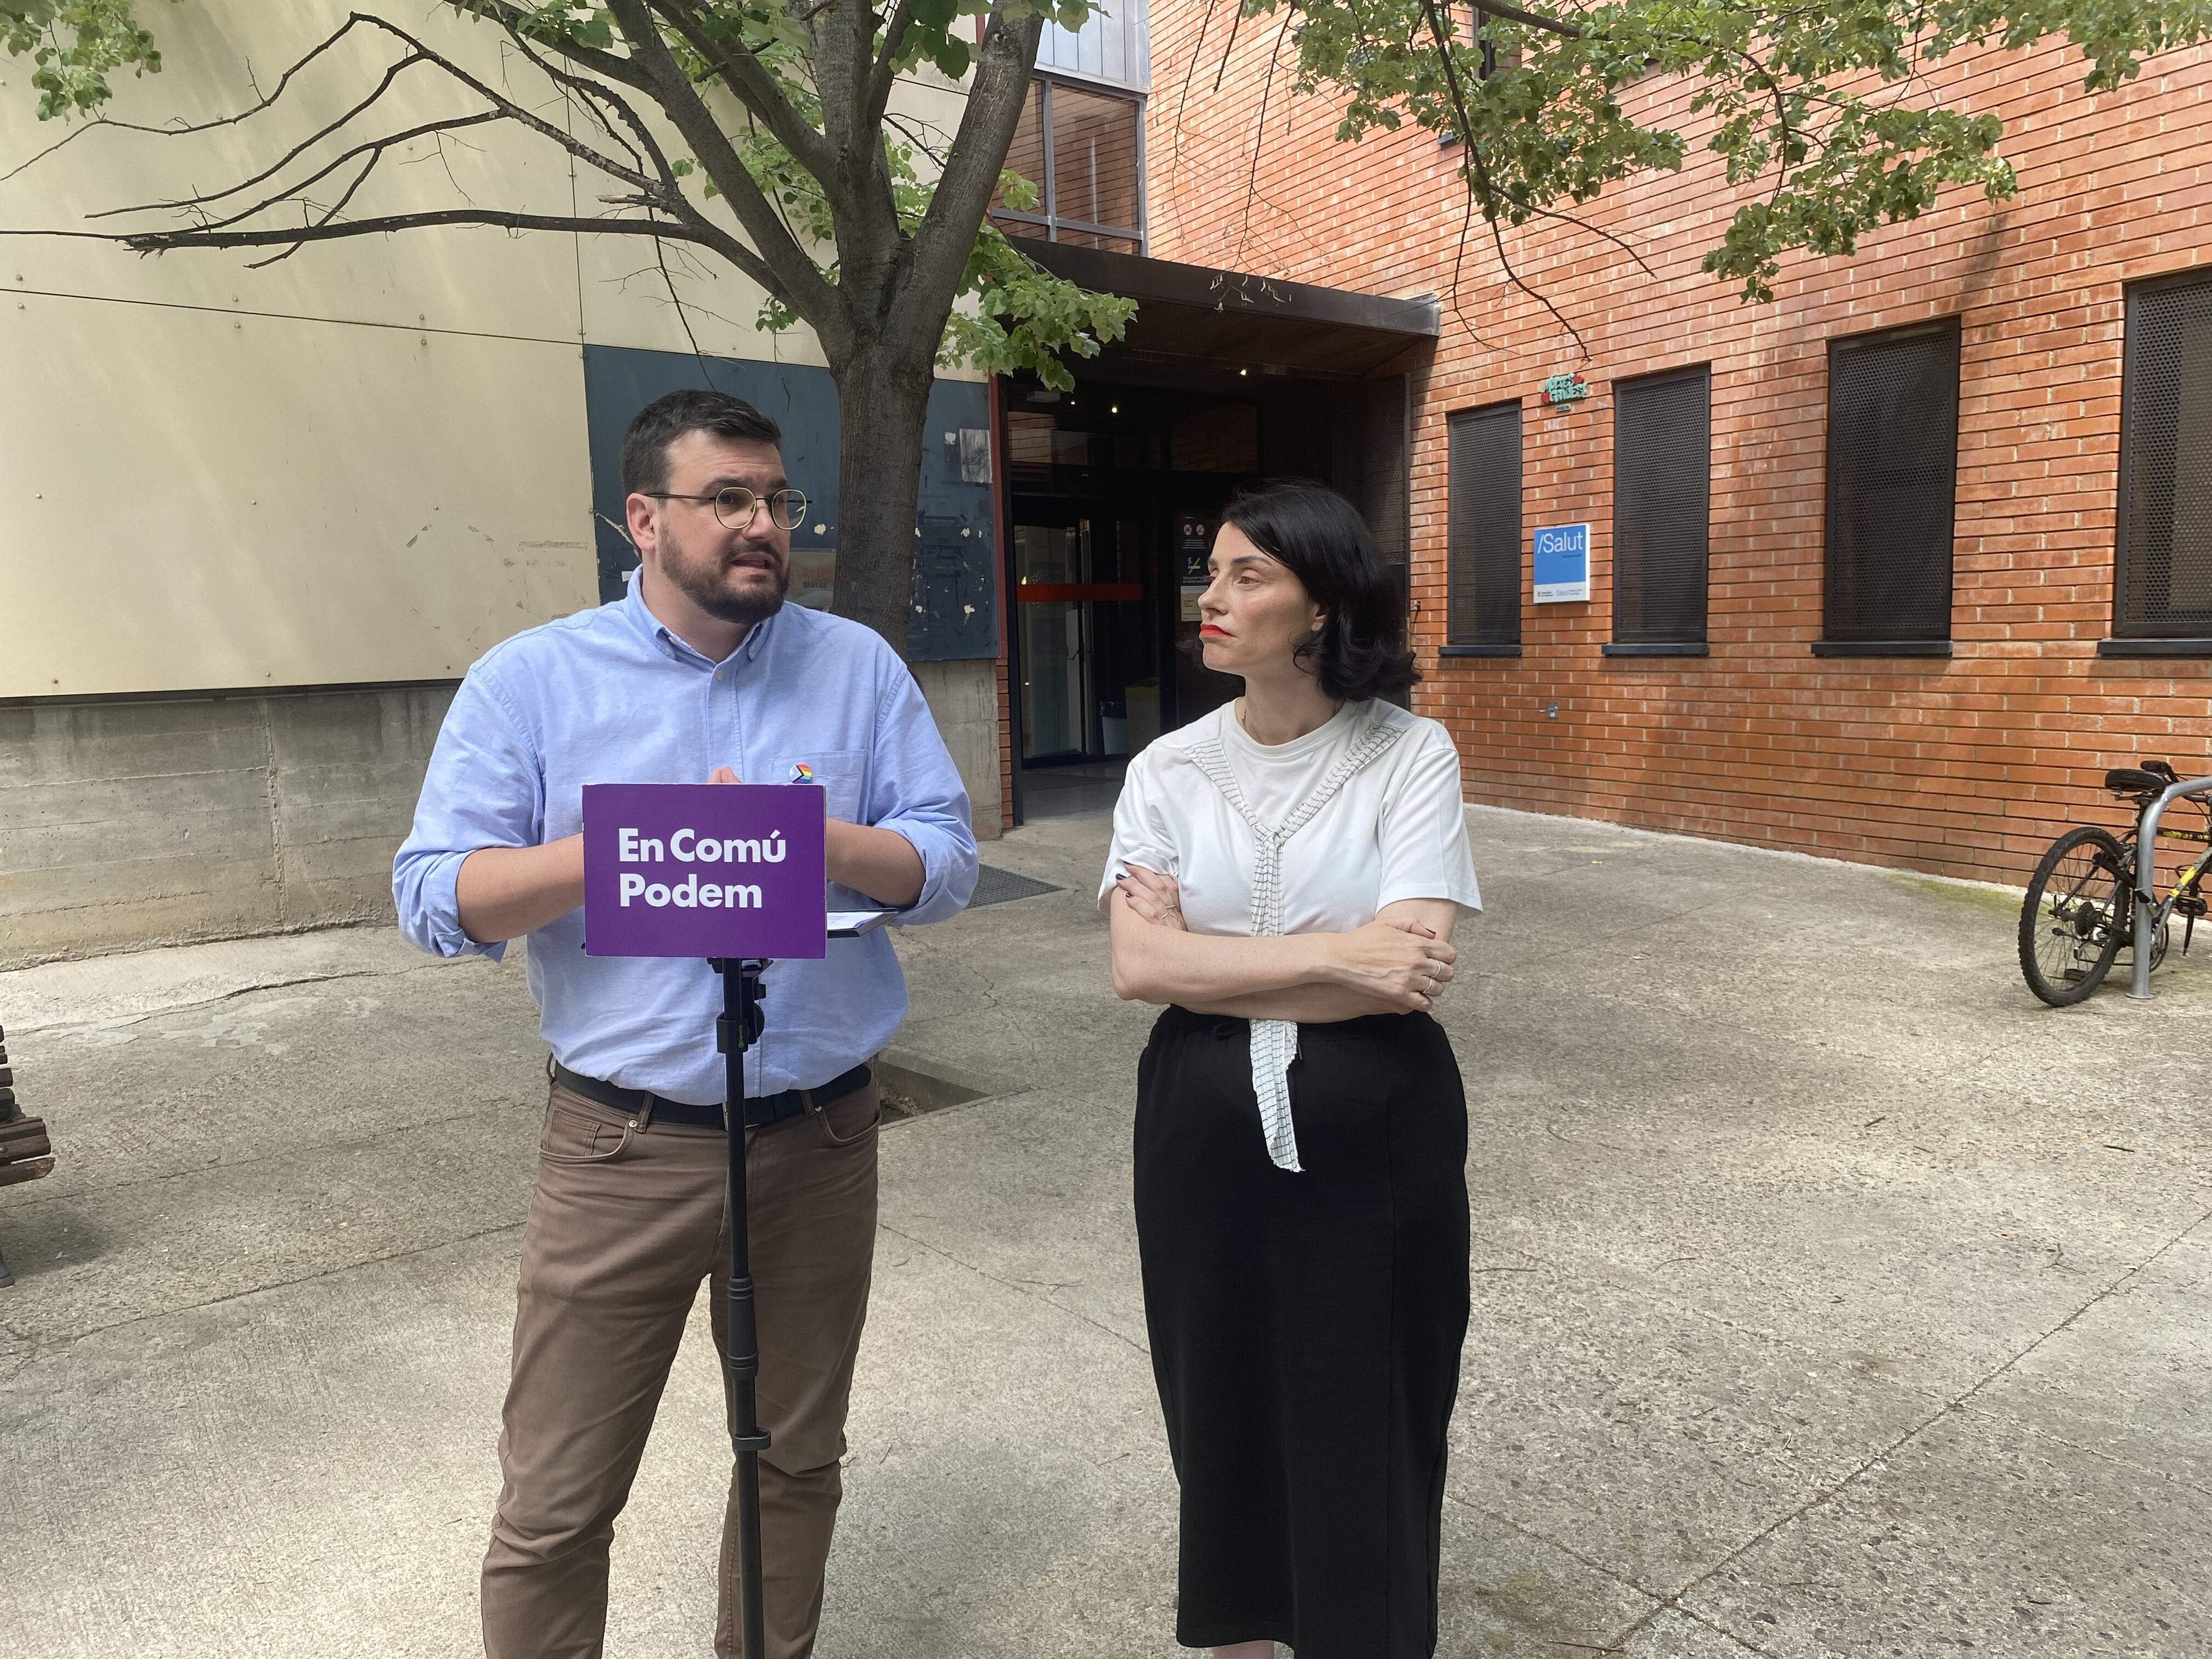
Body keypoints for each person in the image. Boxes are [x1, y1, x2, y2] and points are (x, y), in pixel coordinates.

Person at [393, 388, 978, 1659]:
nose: (764, 524)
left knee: (797, 1460)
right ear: (644, 518)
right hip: (622, 1147)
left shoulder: (857, 668)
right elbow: (435, 898)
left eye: (776, 499)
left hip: (821, 1139)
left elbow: (944, 864)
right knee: (557, 1498)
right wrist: (619, 846)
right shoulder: (532, 681)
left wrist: (817, 841)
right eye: (728, 500)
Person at [1100, 481, 1482, 1659]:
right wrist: (1334, 955)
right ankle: (1240, 1634)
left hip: (1377, 1121)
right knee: (1215, 1386)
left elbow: (1404, 973)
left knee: (1375, 1395)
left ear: (1322, 605)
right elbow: (1138, 966)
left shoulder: (1408, 755)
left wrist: (1208, 963)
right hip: (1198, 1127)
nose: (1209, 599)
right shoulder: (1168, 768)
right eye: (1210, 572)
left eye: (1246, 575)